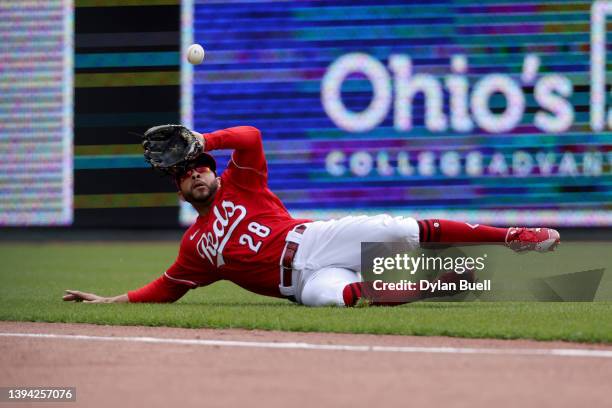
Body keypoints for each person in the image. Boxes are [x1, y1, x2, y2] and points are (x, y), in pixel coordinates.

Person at [63, 126, 560, 307]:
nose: (197, 174)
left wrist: (206, 142)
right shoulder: (196, 247)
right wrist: (109, 300)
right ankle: (441, 284)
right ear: (179, 187)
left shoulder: (243, 181)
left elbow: (252, 136)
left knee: (397, 230)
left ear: (214, 173)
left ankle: (512, 235)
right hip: (299, 286)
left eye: (202, 168)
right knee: (336, 299)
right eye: (187, 173)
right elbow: (166, 288)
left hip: (317, 241)